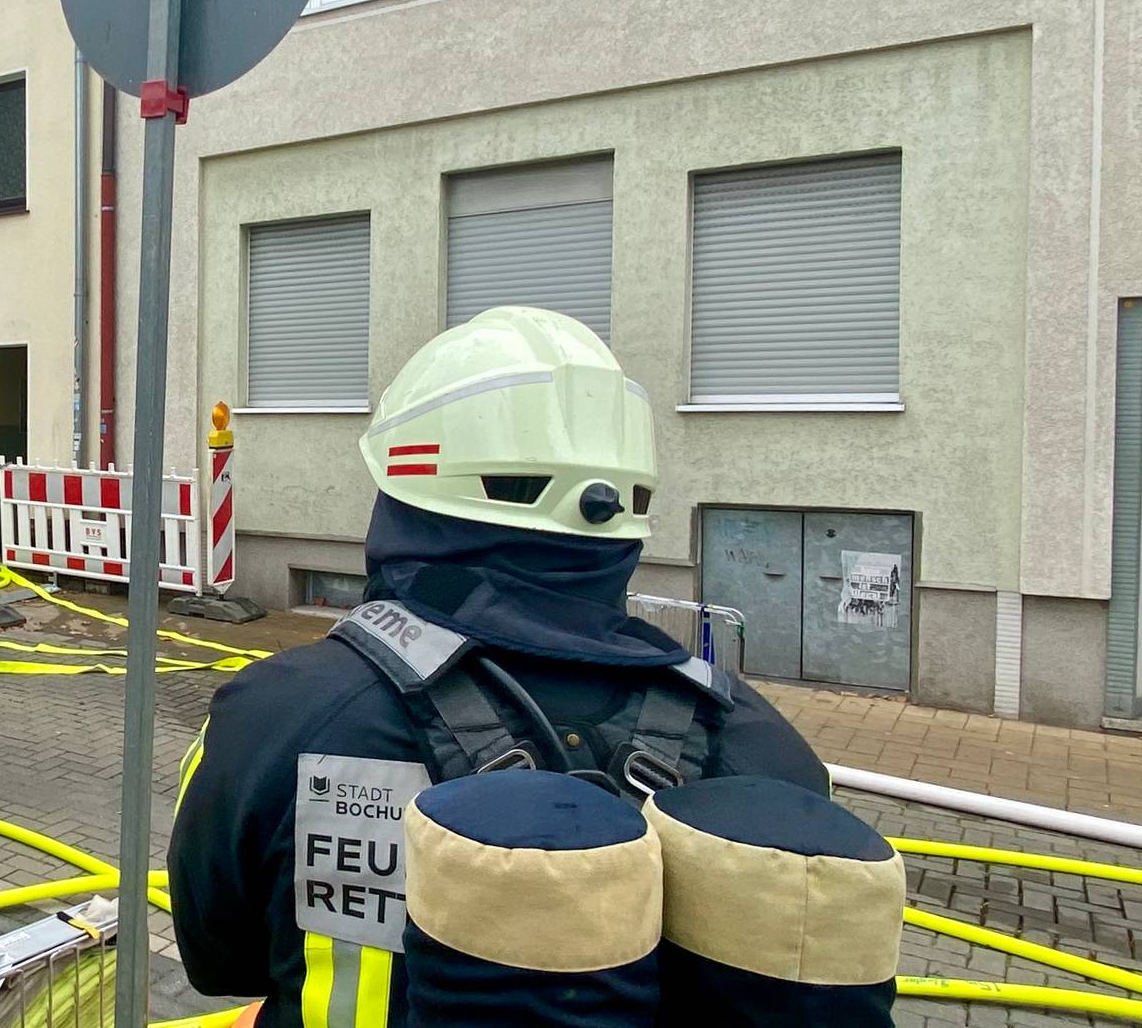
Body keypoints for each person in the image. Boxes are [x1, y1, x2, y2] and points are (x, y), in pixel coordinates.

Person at [168, 306, 831, 1028]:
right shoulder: (766, 747)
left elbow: (218, 960)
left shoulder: (279, 714)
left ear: (406, 493)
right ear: (623, 513)